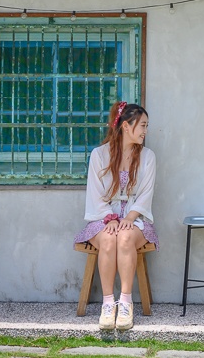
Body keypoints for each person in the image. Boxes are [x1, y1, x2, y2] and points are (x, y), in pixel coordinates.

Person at [75, 101, 157, 331]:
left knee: (125, 237)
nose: (145, 131)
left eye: (146, 126)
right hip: (104, 219)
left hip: (135, 219)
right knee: (110, 239)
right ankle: (109, 304)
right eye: (142, 125)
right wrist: (110, 218)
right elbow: (95, 194)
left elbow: (145, 195)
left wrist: (128, 218)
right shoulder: (99, 155)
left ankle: (126, 303)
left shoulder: (148, 157)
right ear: (126, 126)